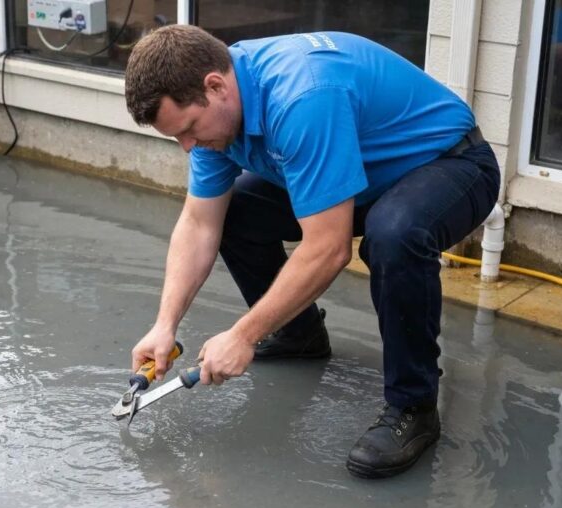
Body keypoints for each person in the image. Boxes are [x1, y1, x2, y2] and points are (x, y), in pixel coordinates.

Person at [124, 25, 500, 479]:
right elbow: (201, 223)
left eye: (187, 130)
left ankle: (413, 407)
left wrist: (242, 336)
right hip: (363, 175)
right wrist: (165, 326)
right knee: (235, 211)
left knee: (394, 235)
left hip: (449, 163)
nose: (188, 145)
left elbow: (328, 248)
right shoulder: (217, 113)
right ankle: (299, 334)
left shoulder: (302, 96)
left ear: (215, 86)